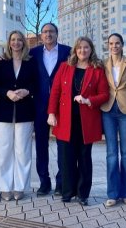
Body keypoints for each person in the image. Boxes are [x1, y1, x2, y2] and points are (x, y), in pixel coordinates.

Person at [47, 36, 109, 206]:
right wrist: (51, 113)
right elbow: (55, 92)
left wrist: (89, 100)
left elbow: (105, 94)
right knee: (66, 158)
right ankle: (67, 191)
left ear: (91, 50)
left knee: (84, 158)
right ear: (75, 50)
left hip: (86, 121)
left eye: (86, 47)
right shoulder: (65, 67)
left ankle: (83, 194)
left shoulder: (97, 69)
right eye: (80, 47)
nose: (83, 50)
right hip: (65, 120)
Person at [0, 30, 37, 201]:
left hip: (25, 112)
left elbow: (37, 84)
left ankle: (20, 186)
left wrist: (27, 91)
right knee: (3, 151)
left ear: (24, 43)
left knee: (22, 151)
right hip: (4, 111)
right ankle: (4, 187)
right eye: (13, 39)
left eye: (20, 40)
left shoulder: (31, 62)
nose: (16, 42)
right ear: (9, 42)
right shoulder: (1, 61)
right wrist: (7, 93)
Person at [29, 23, 71, 196]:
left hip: (61, 106)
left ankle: (61, 182)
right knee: (41, 145)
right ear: (41, 35)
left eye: (51, 32)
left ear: (57, 34)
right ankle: (44, 182)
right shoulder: (33, 53)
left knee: (63, 145)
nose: (48, 34)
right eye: (45, 32)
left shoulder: (67, 52)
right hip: (39, 106)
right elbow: (15, 60)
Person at [100, 33, 126, 207]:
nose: (114, 46)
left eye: (117, 43)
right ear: (108, 45)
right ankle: (113, 193)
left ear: (122, 45)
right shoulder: (102, 64)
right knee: (112, 154)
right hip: (108, 110)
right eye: (111, 43)